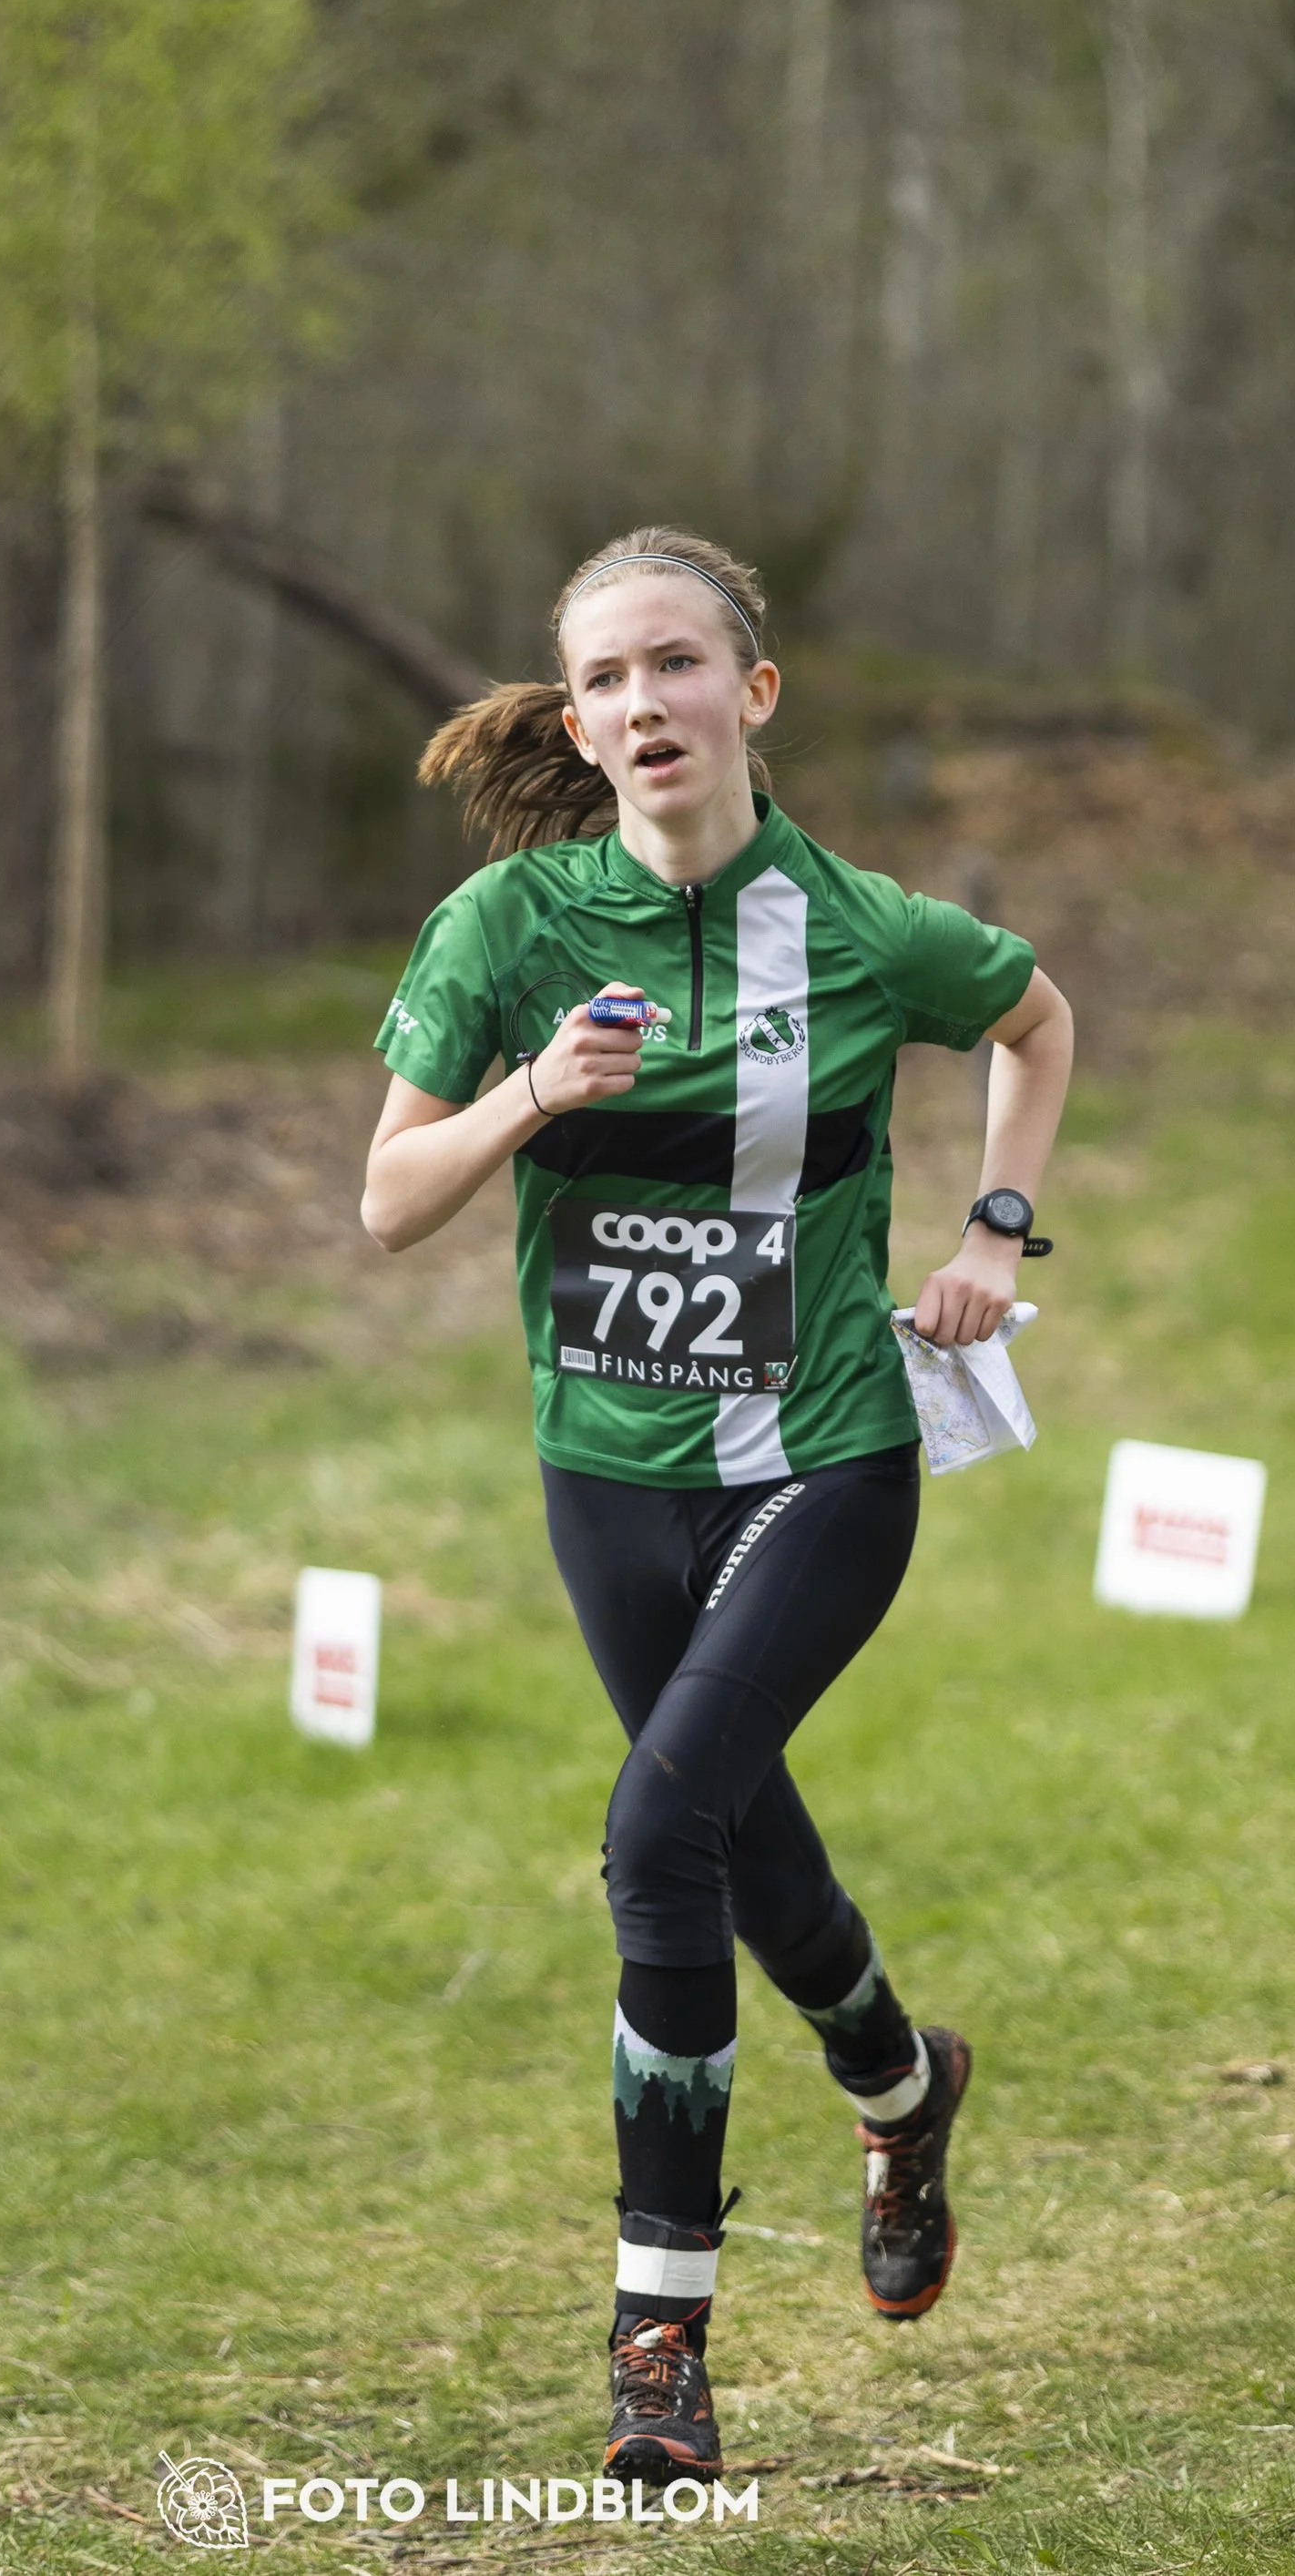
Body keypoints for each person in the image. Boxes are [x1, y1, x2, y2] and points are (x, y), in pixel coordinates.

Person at [361, 526, 1074, 2487]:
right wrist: (527, 1100)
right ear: (577, 722)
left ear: (747, 695)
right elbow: (387, 1199)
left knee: (654, 1831)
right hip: (606, 1474)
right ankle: (896, 2075)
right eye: (605, 678)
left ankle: (655, 2330)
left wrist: (994, 1229)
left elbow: (1033, 1021)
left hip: (823, 1452)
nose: (641, 702)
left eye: (676, 663)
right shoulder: (504, 932)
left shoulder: (853, 927)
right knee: (738, 1845)